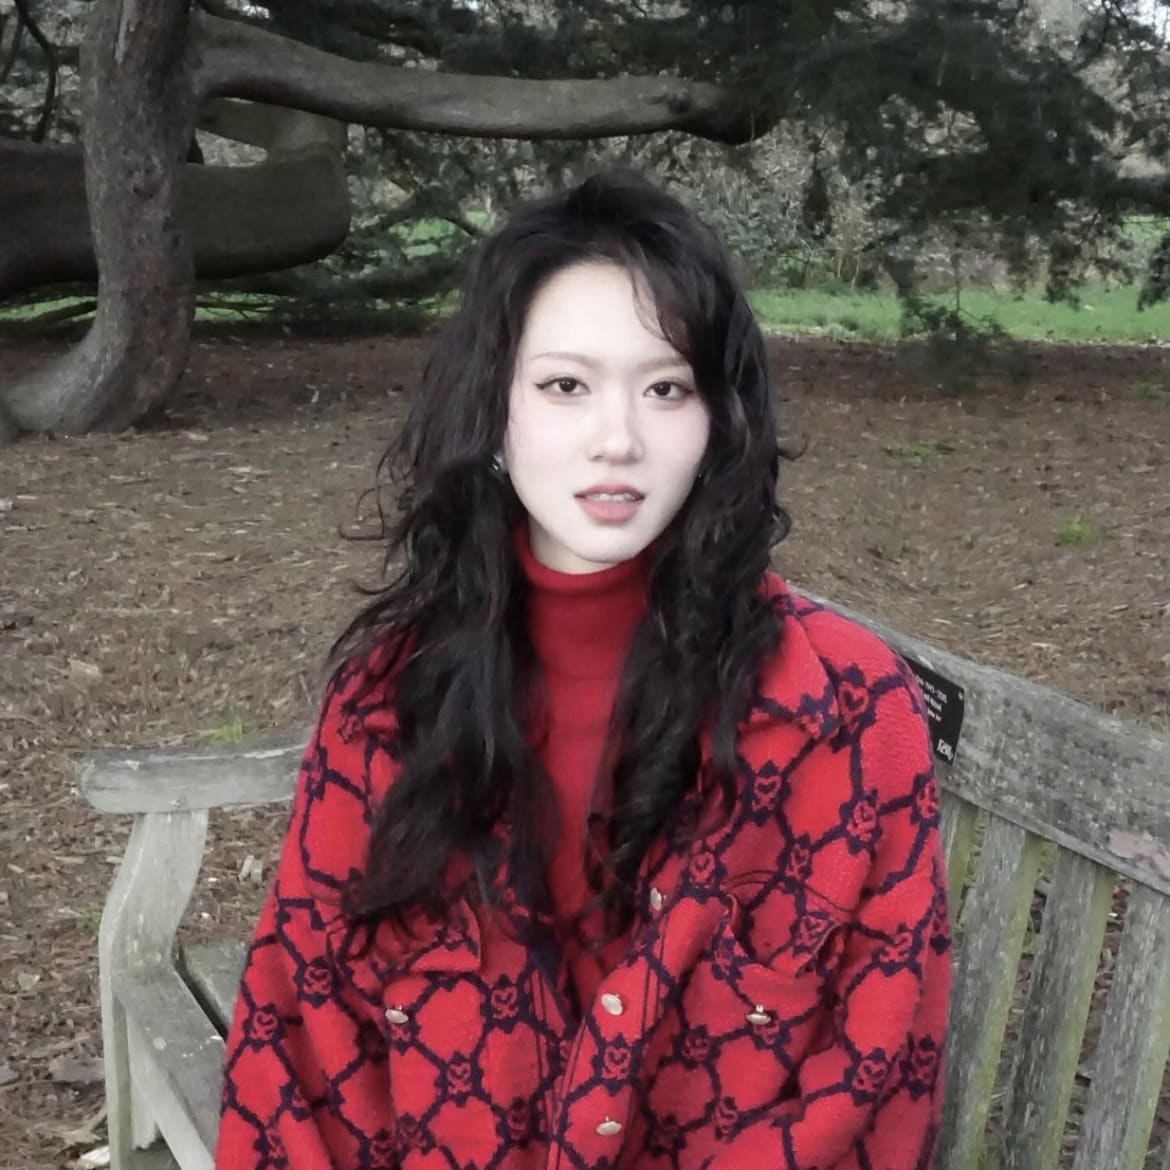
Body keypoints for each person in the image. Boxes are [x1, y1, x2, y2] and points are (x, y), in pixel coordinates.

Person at [215, 169, 950, 1170]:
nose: (619, 440)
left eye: (666, 388)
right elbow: (301, 1032)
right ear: (496, 415)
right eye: (566, 385)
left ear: (719, 421)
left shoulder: (850, 713)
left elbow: (877, 1068)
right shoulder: (391, 697)